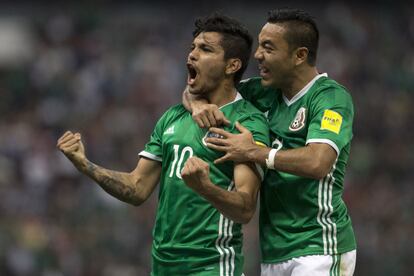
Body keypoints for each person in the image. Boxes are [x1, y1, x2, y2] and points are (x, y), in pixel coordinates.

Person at [57, 14, 269, 276]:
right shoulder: (172, 117)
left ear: (232, 65)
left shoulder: (247, 122)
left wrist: (205, 187)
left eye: (205, 49)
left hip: (212, 265)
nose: (192, 55)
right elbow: (137, 188)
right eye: (192, 47)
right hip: (162, 266)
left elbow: (245, 208)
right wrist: (85, 165)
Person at [184, 8, 356, 276]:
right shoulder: (263, 92)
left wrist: (254, 151)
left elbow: (318, 162)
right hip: (274, 250)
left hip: (320, 245)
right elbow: (206, 86)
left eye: (268, 47)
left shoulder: (330, 98)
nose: (257, 55)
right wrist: (196, 104)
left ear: (299, 55)